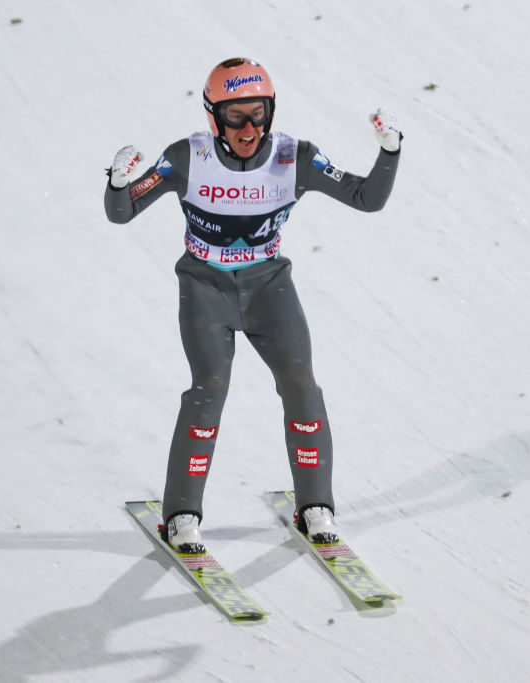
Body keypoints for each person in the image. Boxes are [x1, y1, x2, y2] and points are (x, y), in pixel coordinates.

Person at [104, 58, 401, 552]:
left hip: (268, 288)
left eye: (259, 113)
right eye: (236, 116)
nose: (249, 128)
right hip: (205, 287)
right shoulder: (187, 157)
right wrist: (117, 184)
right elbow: (123, 212)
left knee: (300, 380)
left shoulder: (295, 157)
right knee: (210, 386)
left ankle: (317, 506)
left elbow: (366, 199)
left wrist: (391, 153)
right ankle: (180, 515)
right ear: (213, 118)